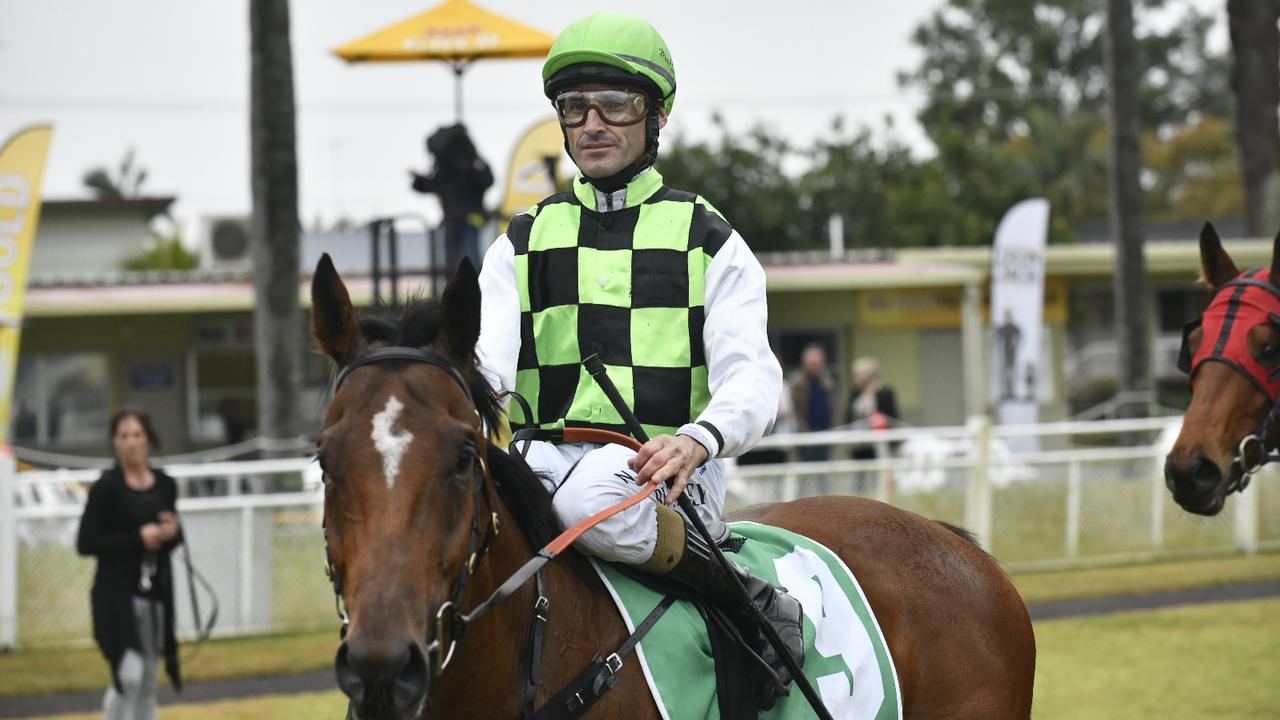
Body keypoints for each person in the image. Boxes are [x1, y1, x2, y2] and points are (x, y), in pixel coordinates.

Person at [476, 13, 802, 709]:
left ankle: (746, 605)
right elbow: (487, 369)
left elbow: (752, 377)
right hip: (545, 462)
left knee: (589, 499)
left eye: (614, 105)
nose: (592, 123)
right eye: (574, 107)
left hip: (665, 471)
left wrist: (698, 438)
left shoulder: (707, 235)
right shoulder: (523, 240)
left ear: (655, 116)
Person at [77, 409, 183, 719]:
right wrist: (138, 538)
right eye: (123, 436)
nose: (131, 442)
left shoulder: (165, 485)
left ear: (148, 439)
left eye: (137, 434)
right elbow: (86, 543)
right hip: (117, 597)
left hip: (155, 595)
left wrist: (170, 532)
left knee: (149, 680)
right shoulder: (106, 488)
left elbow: (176, 538)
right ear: (114, 443)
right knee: (129, 677)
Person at [410, 123, 494, 273]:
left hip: (468, 219)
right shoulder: (449, 171)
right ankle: (461, 289)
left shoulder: (467, 168)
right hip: (453, 222)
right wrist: (418, 180)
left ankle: (474, 289)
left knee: (469, 258)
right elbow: (428, 185)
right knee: (455, 261)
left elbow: (487, 180)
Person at [786, 344, 837, 461]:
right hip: (805, 434)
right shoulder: (797, 382)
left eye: (817, 363)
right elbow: (795, 410)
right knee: (806, 467)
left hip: (826, 432)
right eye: (812, 363)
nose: (815, 366)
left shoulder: (828, 381)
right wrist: (803, 429)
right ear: (804, 363)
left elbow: (833, 406)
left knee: (823, 467)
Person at [847, 356, 900, 461]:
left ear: (868, 376)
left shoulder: (885, 393)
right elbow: (848, 416)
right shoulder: (855, 393)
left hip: (878, 441)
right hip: (859, 442)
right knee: (860, 472)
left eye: (858, 374)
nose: (855, 377)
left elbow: (892, 416)